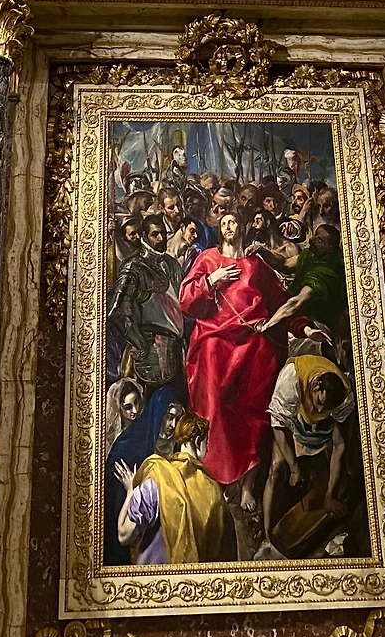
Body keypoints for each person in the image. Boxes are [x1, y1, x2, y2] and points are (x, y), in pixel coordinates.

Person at [179, 211, 289, 508]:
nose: (228, 226)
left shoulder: (255, 264)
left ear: (243, 227)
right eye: (223, 223)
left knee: (253, 411)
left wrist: (303, 326)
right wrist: (212, 280)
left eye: (233, 222)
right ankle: (218, 479)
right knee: (215, 405)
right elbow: (186, 301)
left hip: (252, 344)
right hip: (215, 341)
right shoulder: (208, 259)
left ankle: (248, 484)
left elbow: (280, 302)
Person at [114, 410, 235, 563]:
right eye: (207, 443)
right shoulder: (213, 489)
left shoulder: (157, 477)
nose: (208, 449)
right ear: (198, 441)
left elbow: (124, 536)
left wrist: (131, 492)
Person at [262, 351, 355, 549]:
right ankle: (268, 535)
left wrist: (330, 495)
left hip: (320, 431)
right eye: (320, 402)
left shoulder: (344, 395)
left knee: (341, 475)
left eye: (326, 408)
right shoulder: (291, 379)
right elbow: (278, 427)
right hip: (291, 423)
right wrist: (294, 468)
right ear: (316, 385)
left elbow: (340, 445)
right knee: (277, 468)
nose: (321, 410)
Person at [104, 384, 185, 563]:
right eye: (169, 417)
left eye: (178, 419)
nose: (173, 425)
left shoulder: (176, 447)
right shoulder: (127, 447)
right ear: (158, 413)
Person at [107, 212, 185, 389]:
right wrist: (141, 345)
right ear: (144, 236)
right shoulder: (133, 267)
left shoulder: (172, 264)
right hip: (149, 353)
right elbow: (119, 311)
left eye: (163, 233)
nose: (161, 239)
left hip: (175, 348)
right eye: (155, 234)